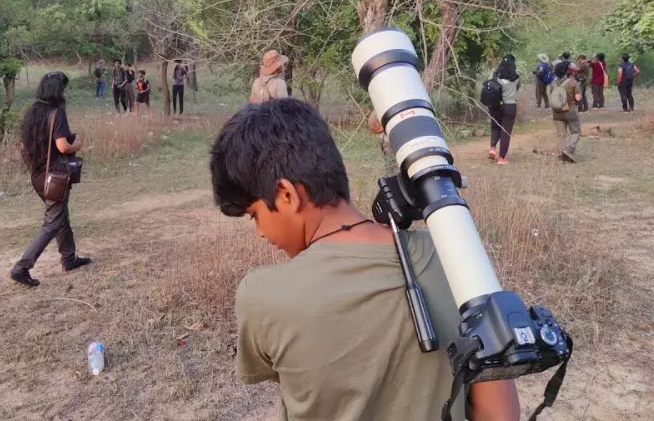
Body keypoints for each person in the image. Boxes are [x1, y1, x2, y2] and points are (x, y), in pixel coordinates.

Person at [209, 98, 520, 421]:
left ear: (287, 195)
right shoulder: (457, 257)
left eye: (254, 215)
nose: (260, 231)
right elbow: (500, 413)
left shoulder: (262, 297)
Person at [10, 72, 90, 287]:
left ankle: (69, 259)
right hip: (55, 177)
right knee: (53, 222)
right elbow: (63, 146)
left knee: (60, 215)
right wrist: (78, 144)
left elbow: (23, 146)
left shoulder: (31, 113)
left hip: (37, 175)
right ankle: (22, 267)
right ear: (58, 91)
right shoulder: (57, 114)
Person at [488, 54, 520, 165]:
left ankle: (492, 148)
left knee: (495, 126)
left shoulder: (495, 74)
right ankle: (502, 158)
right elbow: (517, 88)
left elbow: (490, 85)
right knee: (505, 131)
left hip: (495, 105)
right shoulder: (516, 77)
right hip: (510, 105)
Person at [550, 61, 582, 163]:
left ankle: (561, 153)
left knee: (561, 134)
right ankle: (569, 149)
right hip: (570, 111)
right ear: (567, 71)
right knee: (575, 131)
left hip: (557, 112)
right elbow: (578, 98)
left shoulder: (552, 84)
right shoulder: (572, 82)